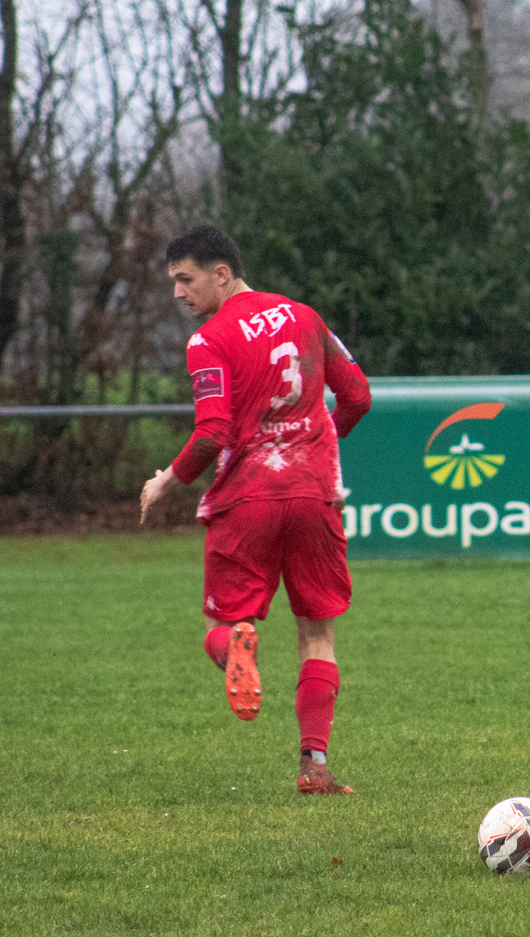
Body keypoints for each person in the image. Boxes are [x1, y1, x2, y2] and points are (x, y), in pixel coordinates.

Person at [140, 225, 372, 795]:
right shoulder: (306, 317)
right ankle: (314, 764)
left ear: (222, 274)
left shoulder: (208, 341)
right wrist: (319, 442)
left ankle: (236, 649)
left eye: (185, 279)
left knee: (222, 627)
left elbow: (212, 433)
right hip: (315, 495)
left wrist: (167, 480)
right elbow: (358, 396)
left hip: (248, 499)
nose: (178, 293)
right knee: (317, 636)